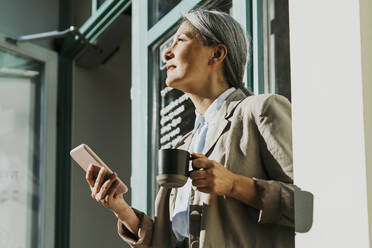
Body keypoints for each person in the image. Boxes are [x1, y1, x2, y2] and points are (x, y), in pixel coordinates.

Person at [85, 9, 294, 248]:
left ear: (216, 53)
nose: (166, 53)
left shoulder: (260, 110)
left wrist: (235, 185)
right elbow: (172, 240)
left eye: (180, 40)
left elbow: (307, 205)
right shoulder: (183, 145)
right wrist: (121, 208)